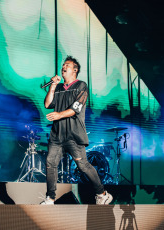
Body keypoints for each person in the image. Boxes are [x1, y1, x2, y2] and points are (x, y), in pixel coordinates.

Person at [41, 56, 113, 205]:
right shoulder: (59, 88)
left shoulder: (81, 85)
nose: (63, 67)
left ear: (75, 70)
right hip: (57, 135)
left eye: (67, 65)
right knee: (50, 162)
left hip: (74, 135)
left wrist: (59, 114)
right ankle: (50, 198)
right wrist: (53, 86)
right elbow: (48, 104)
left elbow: (76, 108)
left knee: (83, 165)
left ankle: (102, 194)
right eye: (63, 65)